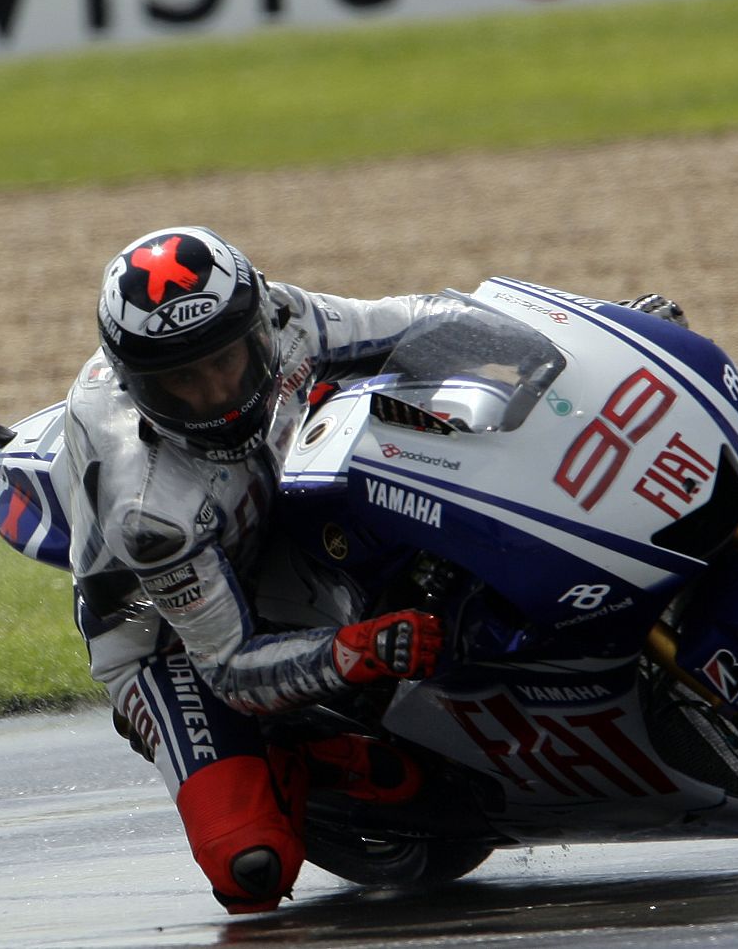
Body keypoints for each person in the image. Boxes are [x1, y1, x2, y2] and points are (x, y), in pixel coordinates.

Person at [57, 226, 685, 913]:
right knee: (250, 868)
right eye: (183, 380)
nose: (216, 391)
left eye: (229, 361)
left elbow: (422, 320)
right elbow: (231, 668)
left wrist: (601, 345)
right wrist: (365, 650)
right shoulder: (148, 511)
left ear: (257, 326)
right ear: (138, 385)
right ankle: (310, 758)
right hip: (169, 633)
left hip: (284, 505)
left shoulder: (282, 315)